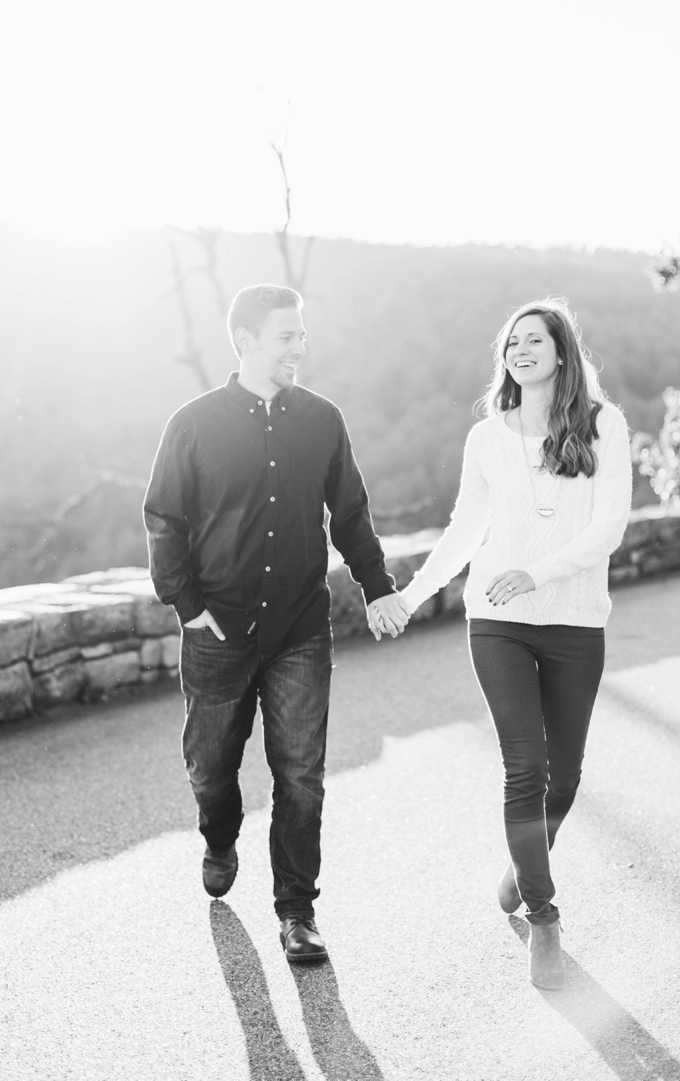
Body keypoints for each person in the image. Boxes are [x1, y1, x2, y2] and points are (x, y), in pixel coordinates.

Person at [143, 283, 408, 963]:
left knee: (301, 774)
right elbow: (164, 518)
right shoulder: (194, 423)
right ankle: (219, 833)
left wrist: (378, 587)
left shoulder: (322, 420)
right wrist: (190, 607)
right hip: (217, 632)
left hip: (299, 629)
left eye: (302, 334)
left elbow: (349, 512)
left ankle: (297, 909)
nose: (300, 347)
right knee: (210, 765)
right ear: (247, 342)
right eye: (287, 336)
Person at [397, 297, 632, 989]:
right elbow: (465, 528)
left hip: (574, 618)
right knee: (525, 768)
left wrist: (539, 572)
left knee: (566, 778)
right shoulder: (487, 437)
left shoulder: (602, 424)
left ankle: (519, 870)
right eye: (512, 341)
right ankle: (545, 913)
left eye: (536, 339)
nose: (521, 349)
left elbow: (610, 525)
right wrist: (411, 596)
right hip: (495, 618)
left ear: (562, 351)